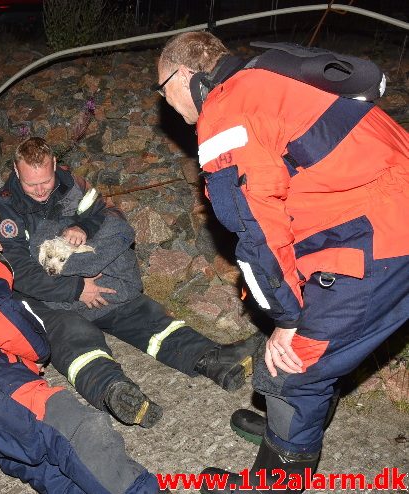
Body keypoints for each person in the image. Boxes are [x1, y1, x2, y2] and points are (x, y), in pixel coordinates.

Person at [154, 31, 409, 493]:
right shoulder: (269, 80)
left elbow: (254, 229)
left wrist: (288, 318)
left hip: (381, 235)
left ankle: (279, 475)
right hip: (384, 214)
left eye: (162, 87)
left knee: (289, 366)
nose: (164, 101)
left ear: (186, 76)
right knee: (318, 346)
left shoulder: (226, 111)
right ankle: (291, 429)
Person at [0, 136, 264, 429]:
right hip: (47, 296)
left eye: (46, 180)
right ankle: (114, 391)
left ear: (54, 165)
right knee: (72, 335)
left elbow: (111, 216)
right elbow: (20, 273)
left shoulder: (73, 184)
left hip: (92, 280)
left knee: (140, 311)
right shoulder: (4, 210)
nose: (41, 190)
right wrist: (77, 288)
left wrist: (83, 226)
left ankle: (211, 358)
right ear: (17, 174)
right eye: (32, 185)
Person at [0, 202, 164, 494]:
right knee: (75, 427)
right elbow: (8, 324)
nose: (0, 244)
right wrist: (37, 351)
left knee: (49, 470)